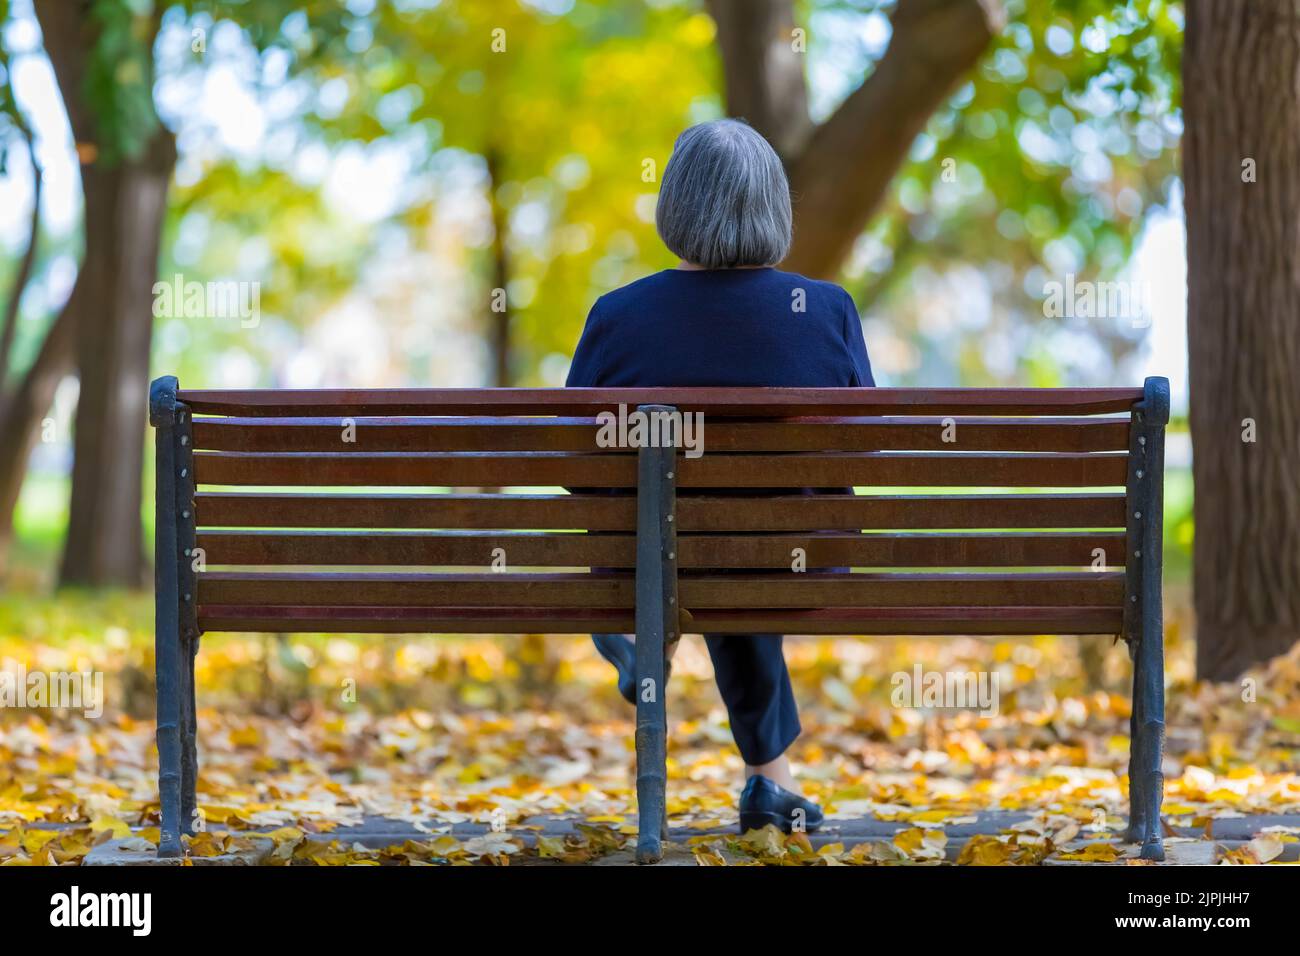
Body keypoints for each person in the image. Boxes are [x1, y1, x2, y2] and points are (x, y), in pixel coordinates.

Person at [565, 118, 875, 833]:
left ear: (677, 205)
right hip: (792, 561)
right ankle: (770, 782)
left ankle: (646, 635)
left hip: (651, 562)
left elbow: (575, 469)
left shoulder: (619, 315)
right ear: (774, 206)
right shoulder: (826, 311)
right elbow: (861, 452)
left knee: (691, 535)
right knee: (740, 541)